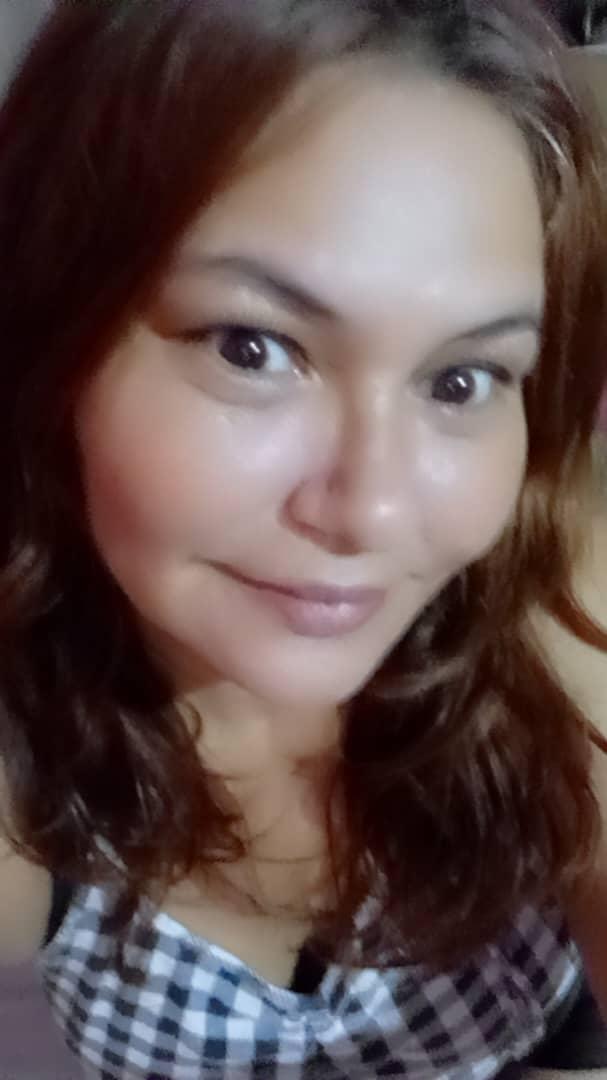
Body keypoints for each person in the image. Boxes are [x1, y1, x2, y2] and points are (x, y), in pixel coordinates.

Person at [0, 1, 606, 1077]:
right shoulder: (27, 755)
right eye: (251, 347)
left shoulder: (558, 598)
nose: (372, 512)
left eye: (461, 379)